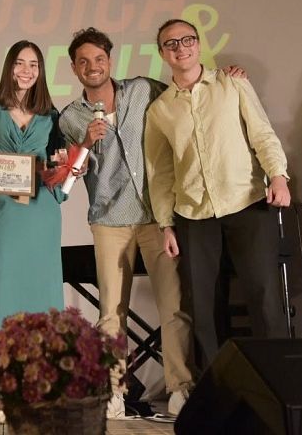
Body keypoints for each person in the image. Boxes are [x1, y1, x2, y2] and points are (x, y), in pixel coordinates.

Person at [59, 27, 195, 419]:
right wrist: (86, 141)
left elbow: (184, 88)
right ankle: (113, 391)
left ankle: (180, 388)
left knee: (174, 307)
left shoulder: (142, 90)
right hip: (109, 220)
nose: (93, 67)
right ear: (74, 68)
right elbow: (71, 174)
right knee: (110, 312)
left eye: (99, 59)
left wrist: (224, 78)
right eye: (84, 62)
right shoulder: (71, 117)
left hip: (155, 216)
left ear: (109, 60)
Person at [145, 18, 290, 371]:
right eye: (171, 44)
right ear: (162, 53)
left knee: (265, 299)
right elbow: (160, 174)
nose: (181, 48)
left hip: (247, 202)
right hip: (193, 215)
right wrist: (165, 224)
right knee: (204, 309)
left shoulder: (232, 83)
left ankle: (278, 381)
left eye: (187, 40)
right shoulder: (160, 110)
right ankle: (218, 387)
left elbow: (262, 134)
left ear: (198, 44)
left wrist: (278, 176)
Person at [0, 41, 65, 424]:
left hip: (42, 216)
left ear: (41, 71)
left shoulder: (53, 117)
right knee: (3, 296)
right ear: (9, 67)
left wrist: (65, 170)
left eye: (34, 65)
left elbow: (61, 176)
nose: (27, 71)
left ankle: (46, 393)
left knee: (44, 300)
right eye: (20, 63)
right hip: (4, 215)